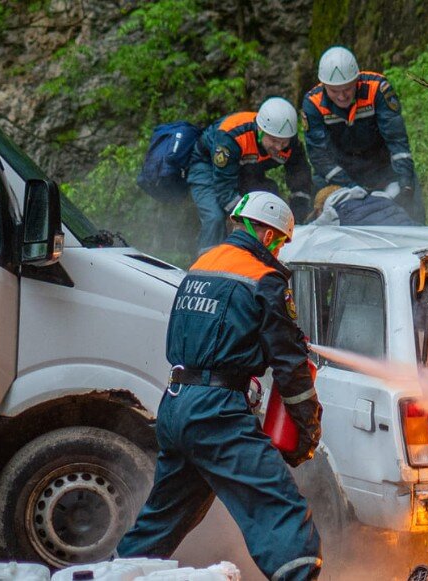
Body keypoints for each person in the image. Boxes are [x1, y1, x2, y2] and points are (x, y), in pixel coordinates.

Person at [117, 191, 323, 581]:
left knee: (160, 521)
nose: (279, 251)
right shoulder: (265, 279)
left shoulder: (201, 265)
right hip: (217, 414)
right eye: (280, 242)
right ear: (267, 236)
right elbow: (291, 367)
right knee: (280, 511)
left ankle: (113, 574)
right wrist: (308, 428)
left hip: (176, 404)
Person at [302, 46, 425, 223]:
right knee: (317, 200)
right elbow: (319, 157)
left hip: (381, 167)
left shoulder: (377, 89)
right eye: (334, 91)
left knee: (409, 193)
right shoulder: (312, 103)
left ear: (357, 80)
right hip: (340, 173)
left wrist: (404, 183)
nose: (342, 96)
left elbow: (397, 141)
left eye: (347, 89)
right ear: (324, 86)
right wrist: (352, 187)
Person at [188, 97, 314, 254]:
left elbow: (299, 171)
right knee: (215, 216)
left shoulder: (289, 139)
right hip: (208, 167)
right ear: (261, 131)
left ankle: (261, 254)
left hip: (246, 170)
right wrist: (249, 220)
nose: (278, 147)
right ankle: (206, 261)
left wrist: (299, 209)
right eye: (274, 141)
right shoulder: (231, 136)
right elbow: (224, 188)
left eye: (283, 143)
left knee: (270, 199)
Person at [311, 184, 418, 226]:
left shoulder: (333, 213)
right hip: (415, 233)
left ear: (320, 210)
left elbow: (309, 232)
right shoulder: (379, 197)